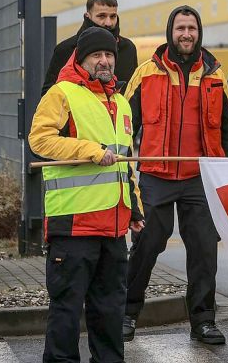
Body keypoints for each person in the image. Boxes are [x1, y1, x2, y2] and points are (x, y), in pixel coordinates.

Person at [121, 5, 228, 345]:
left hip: (199, 176)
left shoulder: (215, 75)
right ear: (170, 32)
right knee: (148, 244)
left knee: (203, 249)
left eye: (192, 28)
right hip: (156, 174)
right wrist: (126, 172)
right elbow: (125, 128)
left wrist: (226, 173)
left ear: (199, 33)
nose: (186, 34)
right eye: (180, 28)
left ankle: (203, 321)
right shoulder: (147, 73)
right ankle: (127, 313)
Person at [28, 27, 145, 363]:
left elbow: (125, 163)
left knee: (109, 308)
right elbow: (40, 140)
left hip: (112, 226)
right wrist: (91, 150)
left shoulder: (121, 103)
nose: (105, 61)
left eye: (109, 55)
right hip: (74, 224)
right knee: (66, 309)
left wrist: (133, 208)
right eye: (97, 55)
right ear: (82, 59)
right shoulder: (61, 93)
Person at [43, 0, 138, 95]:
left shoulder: (128, 48)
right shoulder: (66, 49)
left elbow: (134, 91)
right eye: (101, 16)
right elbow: (49, 94)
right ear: (88, 16)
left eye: (113, 16)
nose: (108, 23)